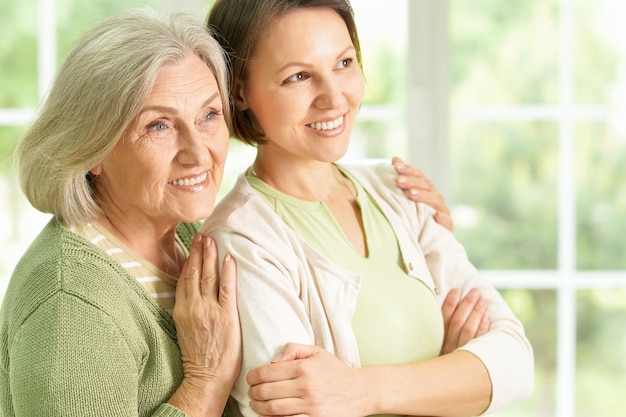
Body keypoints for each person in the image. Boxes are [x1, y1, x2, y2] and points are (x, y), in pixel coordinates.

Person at [202, 1, 535, 416]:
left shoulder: (398, 190)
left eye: (343, 62)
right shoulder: (240, 242)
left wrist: (361, 391)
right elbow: (297, 410)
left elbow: (516, 362)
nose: (333, 97)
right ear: (239, 91)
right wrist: (448, 383)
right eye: (298, 76)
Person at [0, 9, 240, 417]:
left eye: (209, 116)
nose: (199, 153)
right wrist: (205, 381)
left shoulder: (184, 234)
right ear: (93, 150)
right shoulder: (70, 304)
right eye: (159, 126)